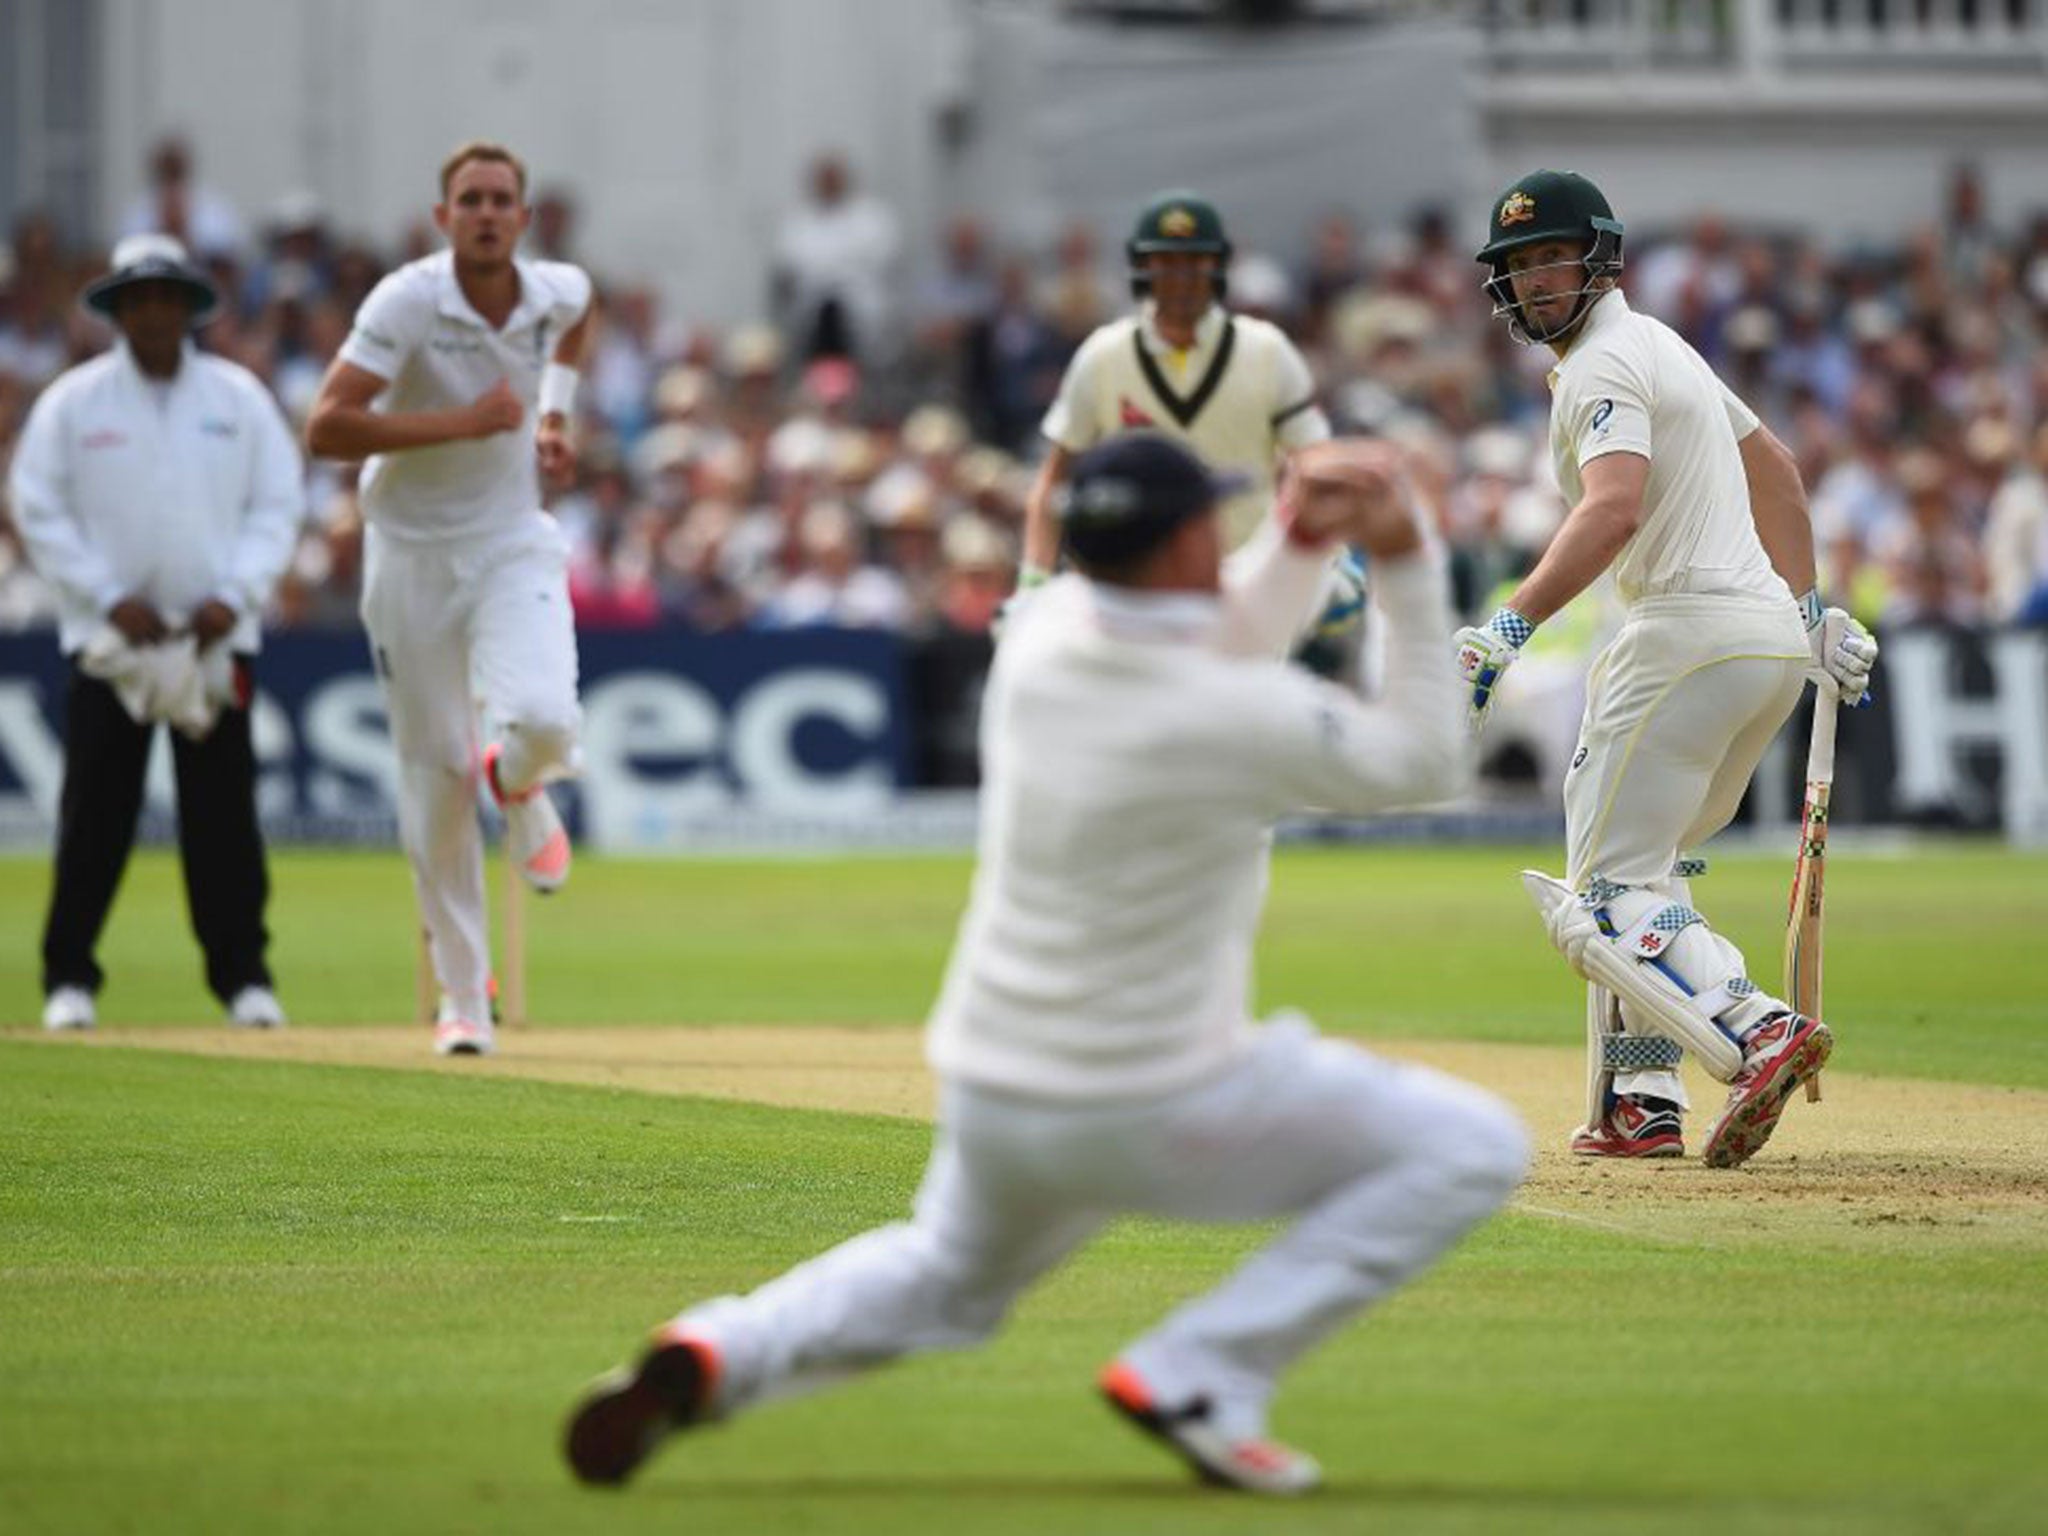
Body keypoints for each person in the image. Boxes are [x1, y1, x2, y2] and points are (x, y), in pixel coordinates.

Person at [562, 433, 1528, 1496]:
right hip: (1157, 1101)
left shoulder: (1041, 635)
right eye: (1215, 519)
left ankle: (718, 1350)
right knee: (1468, 1144)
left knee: (945, 1273)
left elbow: (1216, 627)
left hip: (994, 1085)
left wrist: (1298, 538)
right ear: (1182, 546)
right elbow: (1428, 758)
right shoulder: (1240, 711)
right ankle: (1203, 1369)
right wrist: (1402, 556)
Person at [1456, 169, 1878, 1167]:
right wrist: (1807, 613)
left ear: (1597, 260)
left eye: (1548, 258)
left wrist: (1503, 629)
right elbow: (1771, 464)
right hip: (1761, 649)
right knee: (1649, 872)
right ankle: (1642, 1100)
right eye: (1516, 266)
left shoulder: (1603, 362)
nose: (1531, 281)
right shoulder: (1660, 346)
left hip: (1681, 638)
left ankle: (1754, 1024)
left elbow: (1611, 509)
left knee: (1597, 899)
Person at [306, 141, 596, 1057]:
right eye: (468, 199)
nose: (484, 212)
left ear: (523, 216)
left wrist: (554, 417)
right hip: (411, 557)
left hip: (511, 539)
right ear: (444, 218)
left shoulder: (557, 291)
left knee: (548, 718)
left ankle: (513, 776)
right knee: (431, 776)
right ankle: (464, 998)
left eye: (500, 199)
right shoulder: (407, 300)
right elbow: (327, 426)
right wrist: (457, 425)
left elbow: (583, 325)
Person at [10, 234, 303, 1031]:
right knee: (95, 818)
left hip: (214, 642)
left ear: (188, 308)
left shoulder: (238, 399)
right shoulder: (75, 402)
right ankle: (69, 979)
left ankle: (245, 980)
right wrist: (105, 595)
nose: (154, 311)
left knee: (224, 821)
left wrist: (234, 596)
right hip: (113, 646)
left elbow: (278, 503)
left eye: (168, 297)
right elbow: (37, 506)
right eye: (138, 298)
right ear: (117, 310)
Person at [1019, 191, 1359, 668]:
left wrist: (1333, 559)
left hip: (1243, 590)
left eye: (1193, 263)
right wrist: (1033, 582)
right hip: (1130, 595)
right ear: (1143, 268)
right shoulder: (1103, 355)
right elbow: (1054, 480)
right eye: (1165, 263)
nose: (1179, 280)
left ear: (1217, 268)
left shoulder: (1265, 351)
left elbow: (1316, 465)